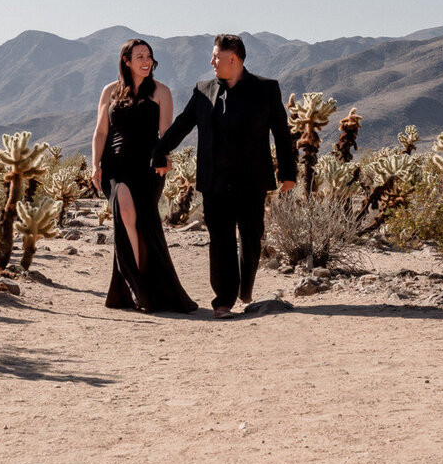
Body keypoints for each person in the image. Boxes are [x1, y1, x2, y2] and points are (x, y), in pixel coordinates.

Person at [153, 34, 296, 318]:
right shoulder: (203, 90)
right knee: (220, 239)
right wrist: (159, 150)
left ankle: (245, 287)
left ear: (234, 59)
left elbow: (281, 132)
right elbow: (182, 124)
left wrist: (289, 173)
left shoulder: (266, 89)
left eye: (216, 56)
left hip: (251, 179)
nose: (212, 61)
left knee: (252, 235)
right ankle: (223, 300)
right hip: (214, 179)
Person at [90, 39, 198, 314]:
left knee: (144, 226)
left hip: (148, 169)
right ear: (126, 61)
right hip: (115, 166)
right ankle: (139, 288)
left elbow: (166, 134)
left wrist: (165, 157)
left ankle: (142, 289)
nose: (146, 61)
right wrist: (95, 165)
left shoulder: (162, 91)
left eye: (149, 56)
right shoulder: (110, 92)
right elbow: (101, 131)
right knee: (126, 212)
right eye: (140, 56)